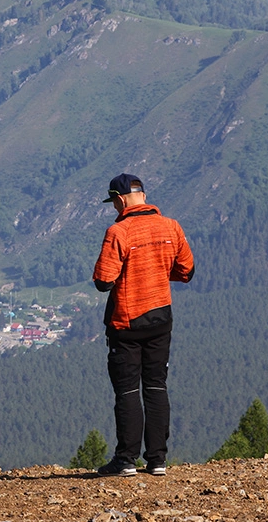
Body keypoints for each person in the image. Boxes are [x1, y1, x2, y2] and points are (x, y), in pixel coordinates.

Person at [92, 173, 194, 477]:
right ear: (143, 196)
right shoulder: (171, 227)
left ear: (121, 199)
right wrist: (158, 274)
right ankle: (157, 460)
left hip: (127, 321)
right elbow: (186, 271)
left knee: (126, 391)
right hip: (161, 317)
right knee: (155, 385)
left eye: (113, 202)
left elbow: (103, 281)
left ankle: (126, 460)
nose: (113, 207)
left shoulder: (118, 232)